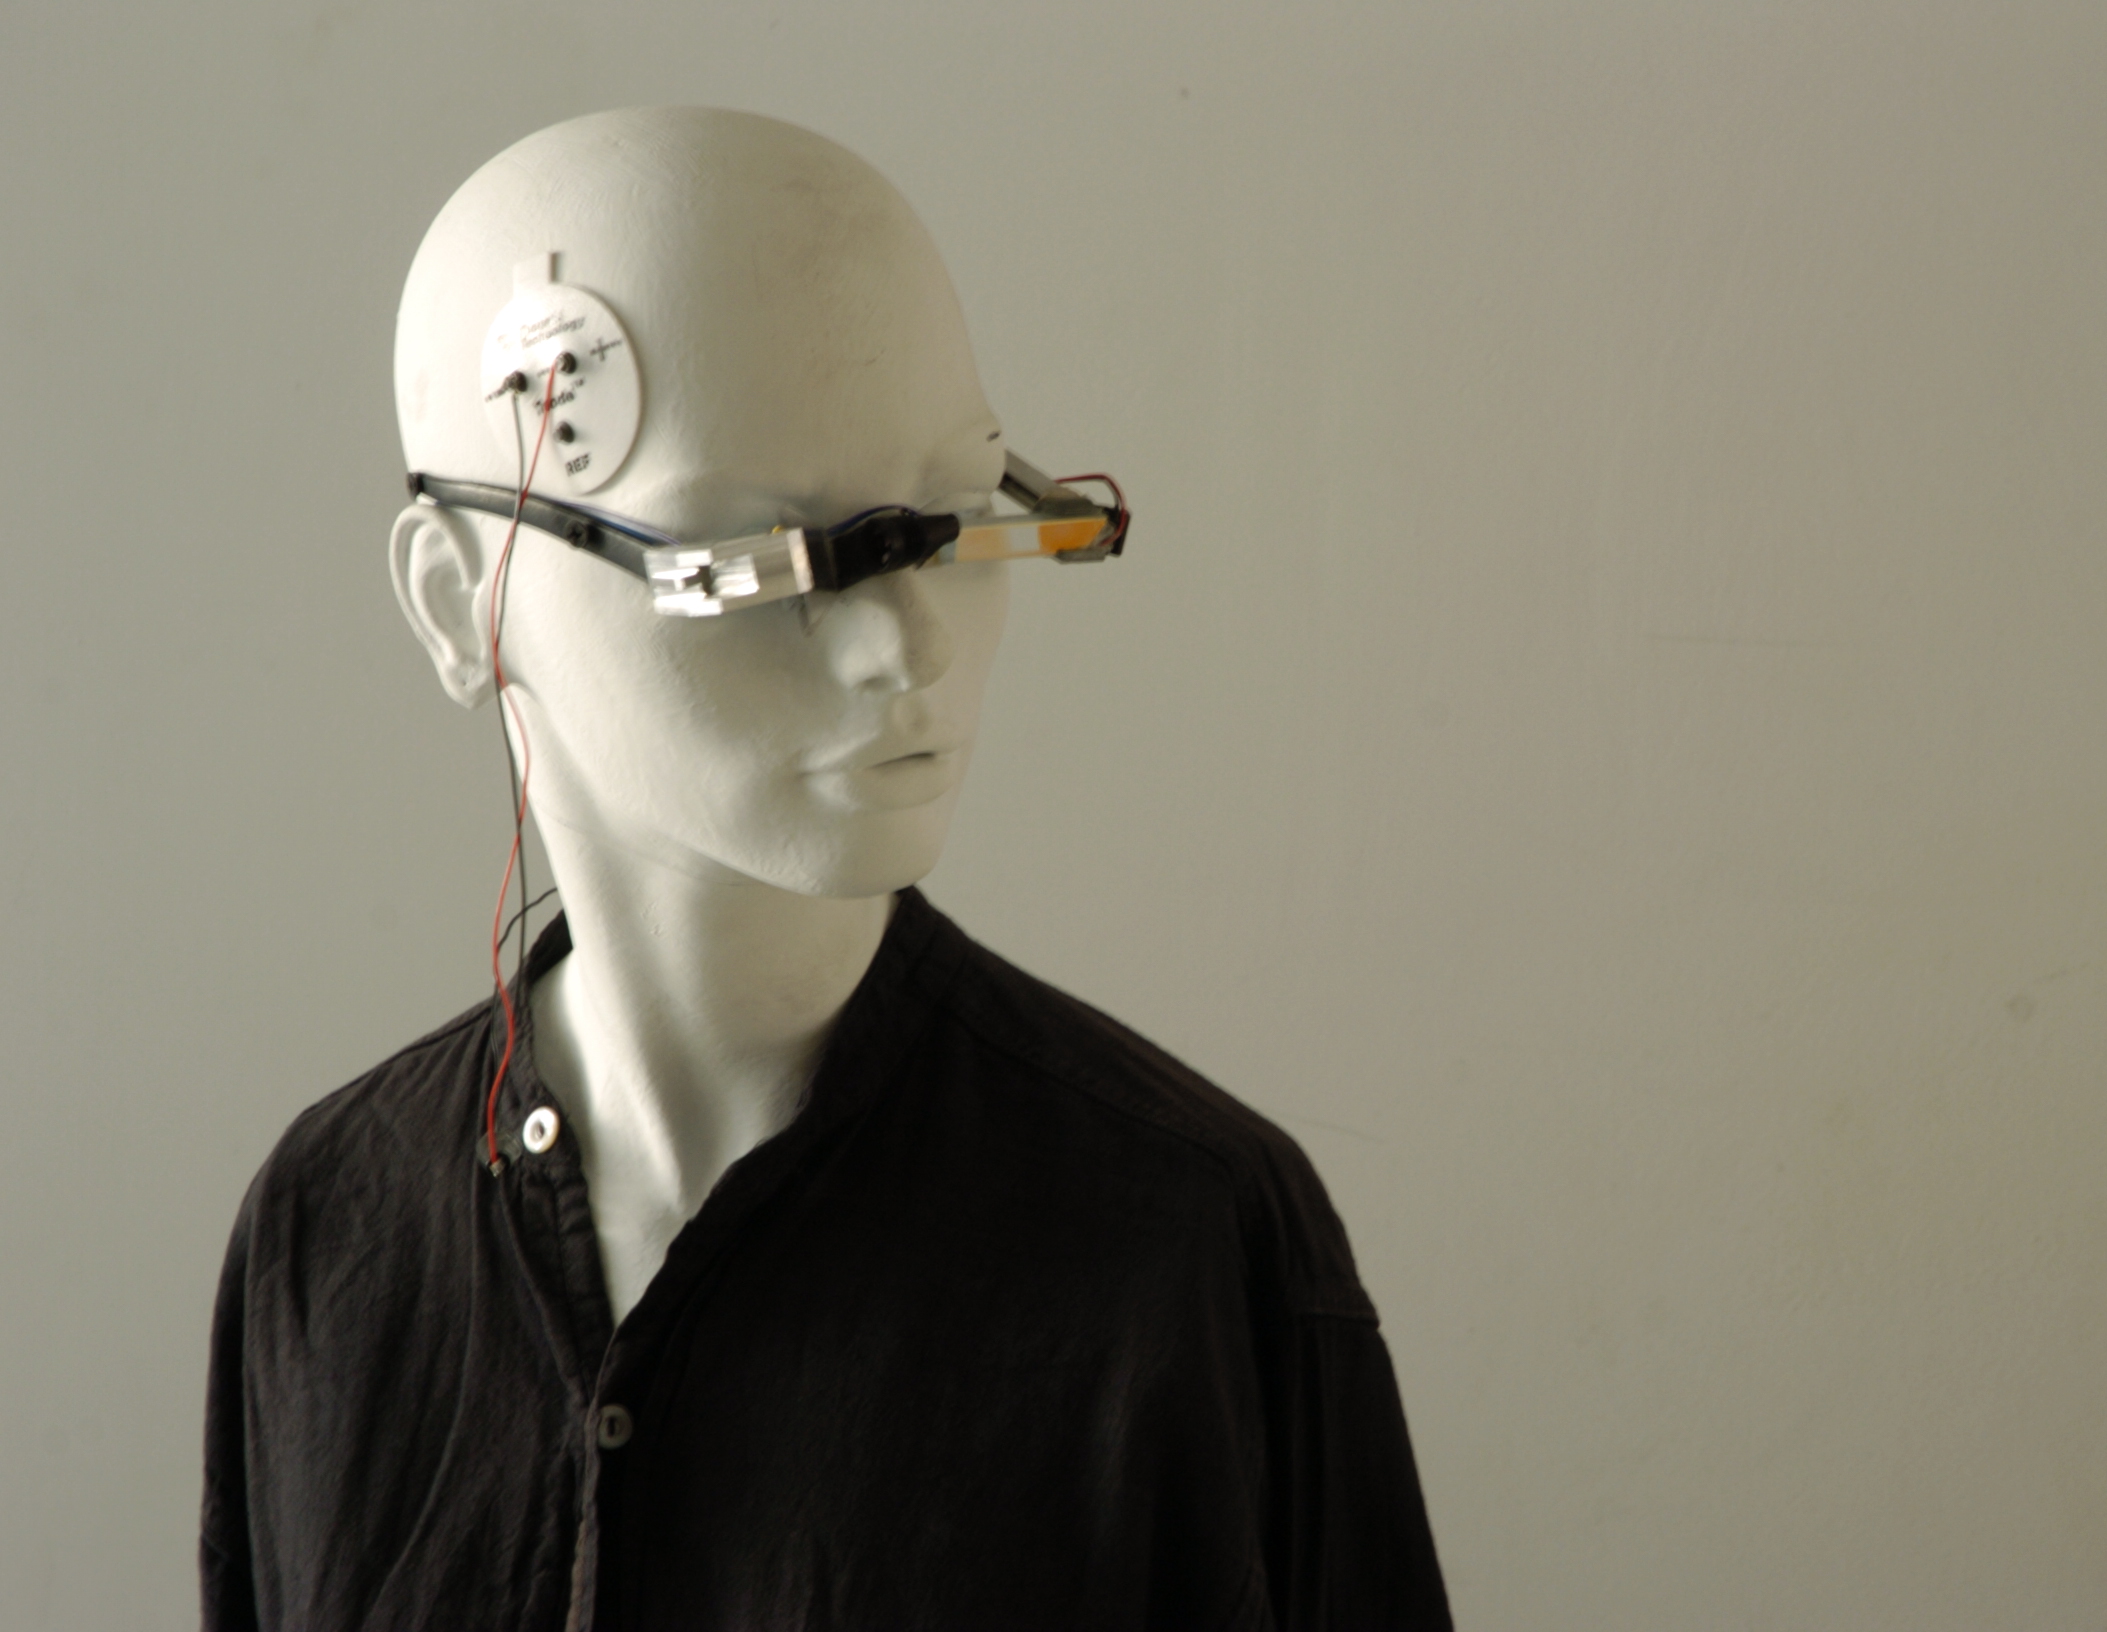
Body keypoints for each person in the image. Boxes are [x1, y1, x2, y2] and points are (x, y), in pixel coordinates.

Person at [199, 106, 1450, 1631]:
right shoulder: (328, 1232)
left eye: (962, 517)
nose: (905, 648)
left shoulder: (1182, 1246)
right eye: (762, 560)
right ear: (467, 602)